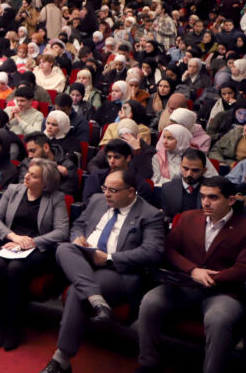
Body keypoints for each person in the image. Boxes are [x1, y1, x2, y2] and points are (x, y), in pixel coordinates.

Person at [38, 170, 165, 373]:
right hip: (84, 260)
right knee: (64, 248)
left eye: (113, 190)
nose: (106, 194)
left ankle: (61, 359)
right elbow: (78, 225)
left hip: (117, 272)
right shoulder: (97, 200)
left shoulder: (149, 214)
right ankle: (97, 300)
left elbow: (152, 252)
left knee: (76, 291)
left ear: (130, 192)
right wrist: (77, 238)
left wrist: (109, 258)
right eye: (105, 188)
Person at [135, 176, 246, 373]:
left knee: (219, 319)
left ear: (230, 200)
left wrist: (209, 278)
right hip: (186, 285)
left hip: (223, 292)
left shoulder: (243, 226)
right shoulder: (188, 218)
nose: (206, 202)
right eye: (203, 196)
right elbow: (169, 249)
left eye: (213, 197)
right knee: (150, 301)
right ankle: (148, 363)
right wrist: (193, 271)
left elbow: (242, 268)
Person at [0, 159, 69, 350]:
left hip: (38, 247)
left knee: (16, 269)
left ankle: (15, 326)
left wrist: (33, 242)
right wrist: (14, 237)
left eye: (33, 175)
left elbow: (62, 231)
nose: (27, 176)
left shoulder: (55, 198)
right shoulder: (13, 190)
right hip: (12, 242)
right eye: (28, 172)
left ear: (45, 182)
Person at [153, 123, 217, 185]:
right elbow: (156, 179)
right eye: (164, 137)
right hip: (167, 189)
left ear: (181, 139)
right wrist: (180, 186)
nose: (164, 142)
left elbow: (212, 179)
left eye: (170, 138)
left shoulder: (196, 155)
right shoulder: (159, 157)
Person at [157, 147, 205, 221]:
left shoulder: (212, 189)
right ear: (180, 166)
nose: (189, 174)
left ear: (204, 170)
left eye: (195, 170)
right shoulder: (168, 188)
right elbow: (167, 216)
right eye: (185, 168)